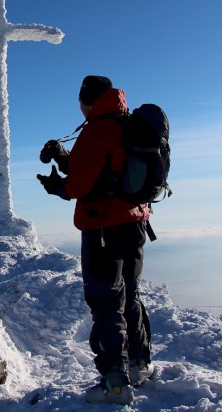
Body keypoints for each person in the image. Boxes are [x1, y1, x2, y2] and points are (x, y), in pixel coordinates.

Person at [37, 75, 154, 405]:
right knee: (130, 294)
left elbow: (79, 185)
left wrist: (55, 186)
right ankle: (138, 364)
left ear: (87, 100)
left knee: (106, 301)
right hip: (136, 224)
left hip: (104, 229)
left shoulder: (97, 129)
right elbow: (106, 171)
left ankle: (115, 382)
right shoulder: (128, 124)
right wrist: (63, 155)